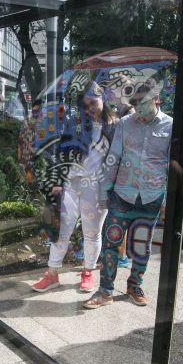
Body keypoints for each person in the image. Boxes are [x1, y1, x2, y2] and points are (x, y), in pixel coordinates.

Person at [82, 83, 171, 309]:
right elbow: (114, 158)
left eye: (141, 102)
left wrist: (168, 200)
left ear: (156, 99)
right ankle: (105, 291)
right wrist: (104, 192)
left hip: (151, 198)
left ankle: (134, 286)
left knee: (142, 246)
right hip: (122, 195)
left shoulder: (170, 126)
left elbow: (172, 165)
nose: (137, 107)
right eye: (134, 103)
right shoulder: (125, 123)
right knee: (111, 242)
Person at [32, 82, 117, 293]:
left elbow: (119, 158)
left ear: (103, 99)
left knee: (92, 231)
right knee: (61, 229)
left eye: (93, 102)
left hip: (95, 185)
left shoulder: (115, 126)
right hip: (69, 183)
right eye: (85, 105)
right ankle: (52, 274)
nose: (89, 108)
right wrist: (57, 181)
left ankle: (88, 272)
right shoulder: (75, 123)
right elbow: (60, 152)